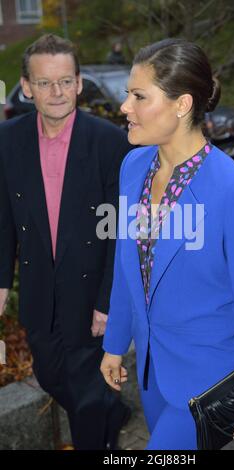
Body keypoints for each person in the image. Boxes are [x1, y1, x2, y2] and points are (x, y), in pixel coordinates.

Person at [100, 38, 234, 450]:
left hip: (209, 379)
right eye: (127, 95)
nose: (125, 108)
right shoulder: (133, 166)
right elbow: (125, 264)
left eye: (138, 96)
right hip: (152, 373)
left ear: (182, 104)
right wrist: (115, 345)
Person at [0, 34, 132, 450]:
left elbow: (120, 230)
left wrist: (109, 302)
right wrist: (2, 282)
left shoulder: (111, 142)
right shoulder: (7, 140)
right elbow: (3, 218)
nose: (56, 92)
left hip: (92, 291)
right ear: (26, 87)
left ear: (78, 83)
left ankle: (101, 430)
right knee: (53, 376)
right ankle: (114, 413)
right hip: (39, 291)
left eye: (65, 81)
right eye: (44, 82)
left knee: (88, 398)